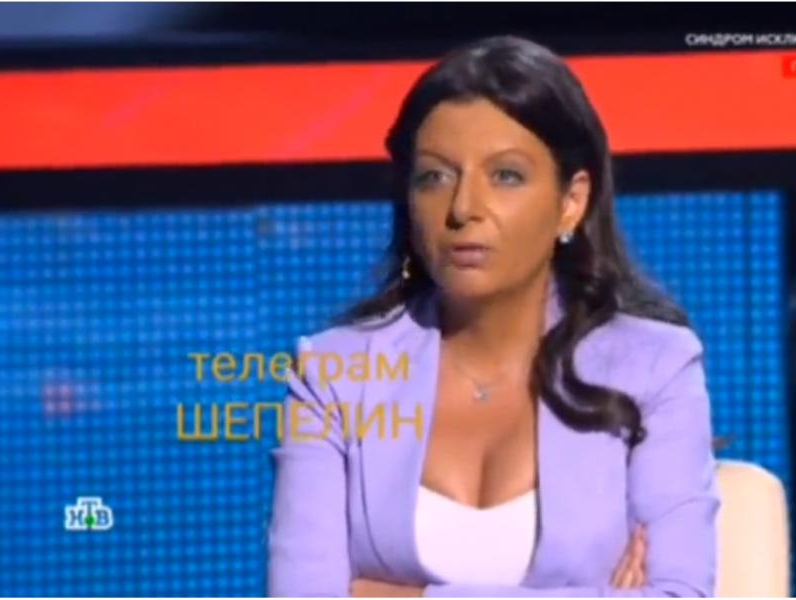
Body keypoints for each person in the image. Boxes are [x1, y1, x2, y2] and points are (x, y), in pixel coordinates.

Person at [266, 34, 719, 597]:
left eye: (505, 176)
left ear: (571, 201)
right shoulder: (334, 375)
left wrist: (415, 596)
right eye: (435, 176)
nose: (463, 209)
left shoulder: (655, 367)